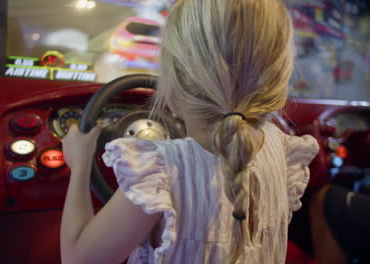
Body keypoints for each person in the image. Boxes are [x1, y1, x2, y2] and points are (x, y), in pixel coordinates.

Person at [60, 0, 319, 263]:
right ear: (277, 78)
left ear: (174, 82)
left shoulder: (160, 171)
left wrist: (80, 165)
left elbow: (77, 259)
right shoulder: (282, 150)